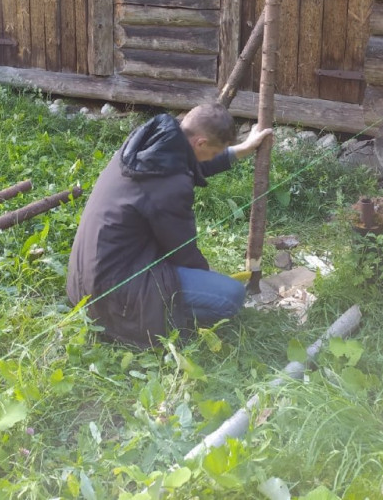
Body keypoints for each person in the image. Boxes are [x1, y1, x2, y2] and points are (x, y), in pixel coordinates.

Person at [67, 102, 272, 348]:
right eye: (214, 153)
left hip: (84, 280)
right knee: (231, 296)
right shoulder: (171, 185)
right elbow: (182, 251)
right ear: (200, 143)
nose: (213, 158)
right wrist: (206, 278)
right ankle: (152, 326)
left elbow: (192, 163)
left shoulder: (152, 144)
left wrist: (242, 149)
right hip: (113, 294)